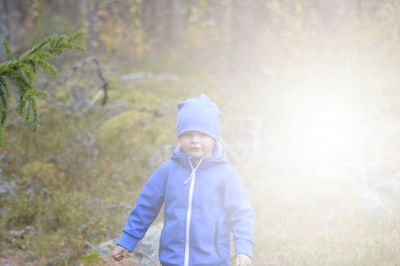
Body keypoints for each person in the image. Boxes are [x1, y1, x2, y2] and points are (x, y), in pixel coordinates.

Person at [112, 94, 254, 266]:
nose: (195, 140)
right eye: (188, 134)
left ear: (214, 137)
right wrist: (127, 240)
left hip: (213, 261)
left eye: (202, 134)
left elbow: (240, 214)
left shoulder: (226, 174)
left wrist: (244, 249)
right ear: (179, 136)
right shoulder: (167, 170)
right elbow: (145, 206)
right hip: (172, 260)